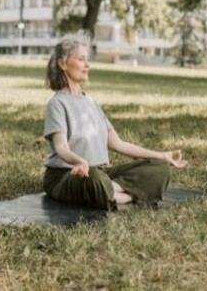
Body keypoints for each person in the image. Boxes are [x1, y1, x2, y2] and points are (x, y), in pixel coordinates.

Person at [42, 34, 187, 210]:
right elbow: (61, 148)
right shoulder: (57, 103)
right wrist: (79, 161)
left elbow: (118, 143)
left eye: (88, 59)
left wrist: (161, 155)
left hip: (100, 174)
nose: (87, 65)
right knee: (94, 179)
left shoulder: (91, 102)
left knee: (160, 169)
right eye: (81, 59)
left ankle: (112, 194)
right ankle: (127, 194)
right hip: (67, 176)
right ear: (63, 64)